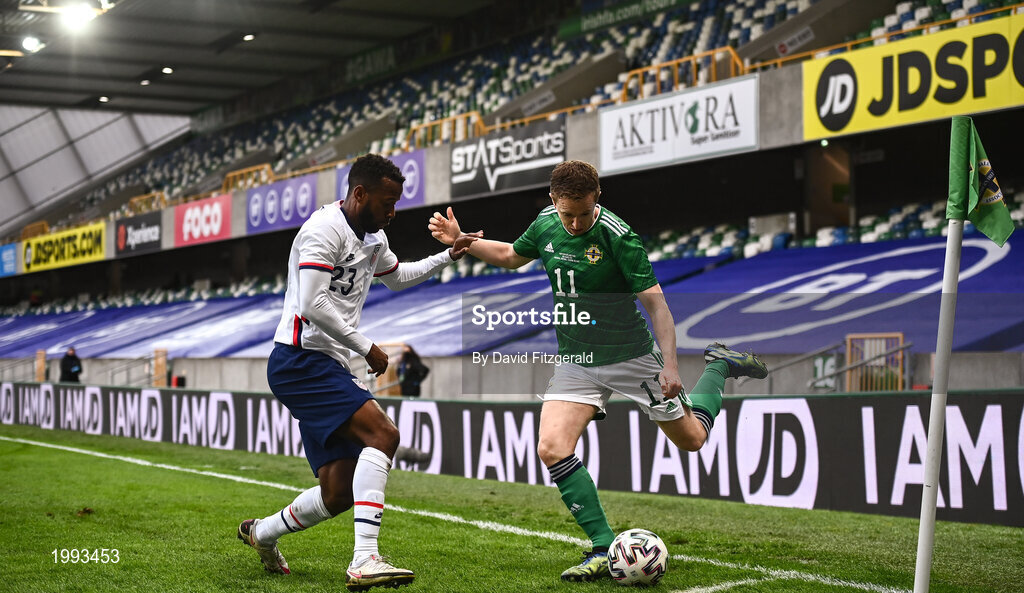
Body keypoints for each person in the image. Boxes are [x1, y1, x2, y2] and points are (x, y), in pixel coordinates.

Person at [429, 160, 768, 582]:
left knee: (693, 440)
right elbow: (511, 256)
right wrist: (462, 240)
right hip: (577, 360)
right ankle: (603, 547)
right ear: (553, 200)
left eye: (584, 213)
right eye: (568, 213)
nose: (575, 223)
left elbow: (657, 304)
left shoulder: (619, 236)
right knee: (551, 448)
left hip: (632, 358)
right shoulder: (546, 223)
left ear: (597, 198)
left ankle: (718, 364)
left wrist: (673, 366)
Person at [237, 154, 477, 591]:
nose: (392, 211)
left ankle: (262, 534)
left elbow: (397, 276)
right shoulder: (323, 230)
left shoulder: (373, 236)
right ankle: (365, 559)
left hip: (326, 364)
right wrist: (366, 347)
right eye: (387, 202)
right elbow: (312, 304)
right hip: (299, 360)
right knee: (383, 435)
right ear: (359, 193)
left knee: (337, 494)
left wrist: (447, 256)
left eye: (396, 203)